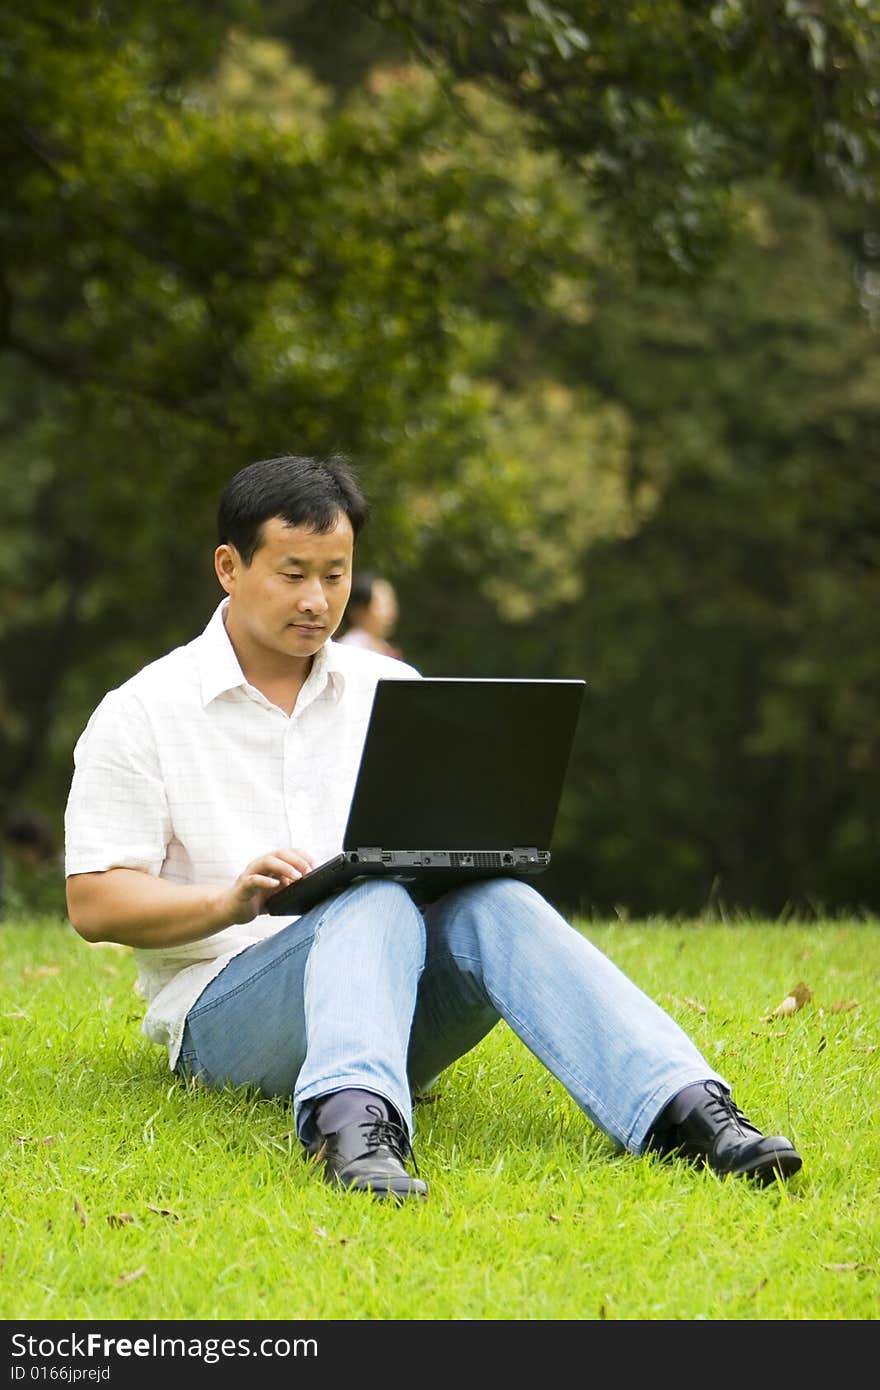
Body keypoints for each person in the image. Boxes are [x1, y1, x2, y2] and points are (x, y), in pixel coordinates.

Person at [63, 453, 803, 1203]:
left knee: (495, 900)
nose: (318, 601)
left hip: (395, 1004)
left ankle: (687, 1113)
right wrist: (229, 900)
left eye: (336, 574)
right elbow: (94, 903)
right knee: (368, 897)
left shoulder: (392, 690)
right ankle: (347, 1130)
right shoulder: (143, 710)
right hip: (226, 1017)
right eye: (293, 574)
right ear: (229, 566)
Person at [337, 571, 403, 658]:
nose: (391, 611)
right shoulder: (349, 649)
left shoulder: (385, 648)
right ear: (359, 610)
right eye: (384, 604)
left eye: (391, 603)